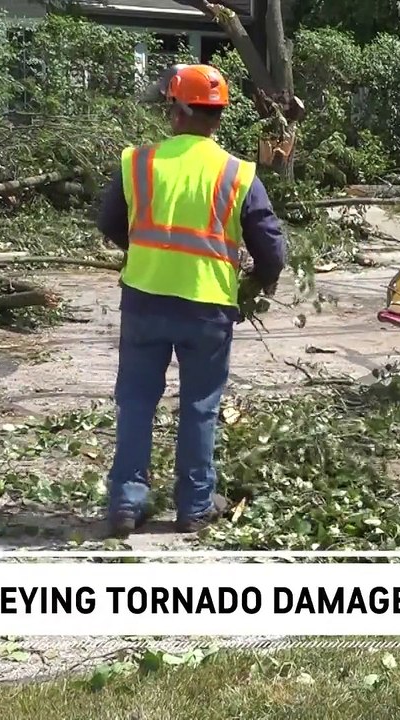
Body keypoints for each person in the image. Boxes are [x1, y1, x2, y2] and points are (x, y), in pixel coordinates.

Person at [96, 64, 287, 538]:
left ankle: (125, 501)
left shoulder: (138, 163)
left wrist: (141, 252)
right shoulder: (238, 173)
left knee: (137, 401)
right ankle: (194, 507)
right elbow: (272, 249)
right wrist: (257, 282)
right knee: (200, 406)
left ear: (176, 112)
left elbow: (109, 223)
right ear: (218, 117)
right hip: (208, 307)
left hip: (144, 299)